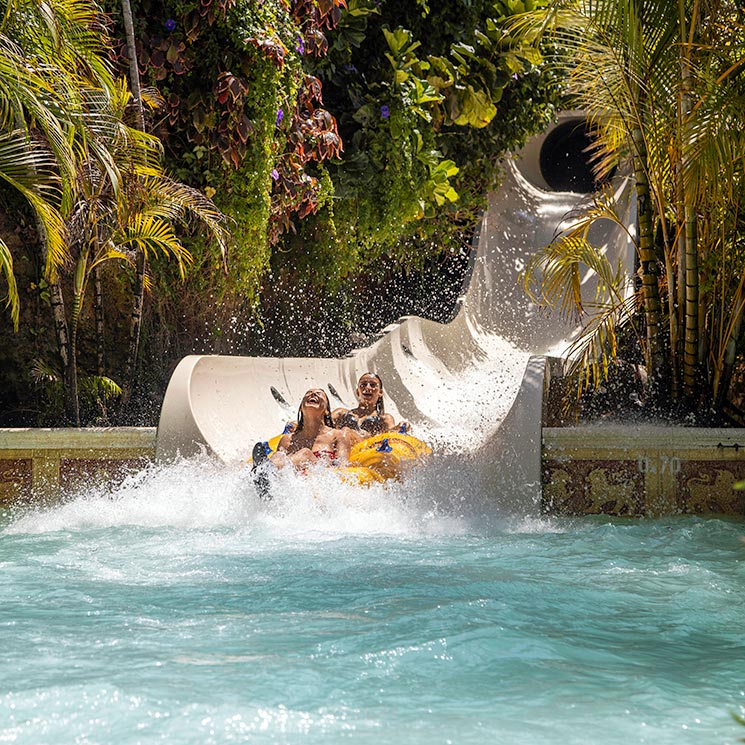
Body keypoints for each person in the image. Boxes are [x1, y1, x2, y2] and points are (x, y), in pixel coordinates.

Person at [265, 388, 360, 470]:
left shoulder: (338, 435)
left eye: (319, 394)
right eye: (308, 393)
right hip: (295, 482)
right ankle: (265, 473)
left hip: (320, 482)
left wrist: (310, 459)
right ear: (301, 408)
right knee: (278, 455)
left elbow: (342, 468)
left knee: (305, 454)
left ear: (327, 411)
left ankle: (268, 470)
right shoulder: (288, 440)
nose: (313, 394)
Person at [331, 372, 409, 436]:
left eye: (373, 385)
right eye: (363, 385)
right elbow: (323, 424)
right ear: (358, 391)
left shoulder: (384, 419)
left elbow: (391, 432)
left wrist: (399, 427)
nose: (368, 388)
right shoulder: (340, 413)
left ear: (380, 393)